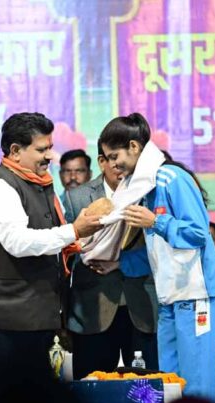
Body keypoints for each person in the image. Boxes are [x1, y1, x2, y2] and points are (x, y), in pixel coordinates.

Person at [0, 112, 102, 401]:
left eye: (50, 147)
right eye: (42, 149)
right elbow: (18, 242)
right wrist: (74, 231)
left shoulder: (38, 182)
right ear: (15, 151)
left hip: (34, 319)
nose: (50, 156)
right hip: (3, 324)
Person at [103, 112, 215, 401]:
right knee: (170, 386)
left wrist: (156, 222)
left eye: (114, 156)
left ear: (134, 147)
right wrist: (117, 263)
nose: (112, 165)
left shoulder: (172, 178)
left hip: (197, 296)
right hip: (169, 299)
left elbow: (198, 234)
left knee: (196, 388)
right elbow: (158, 253)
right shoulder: (142, 187)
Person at [64, 147, 158, 378]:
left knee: (147, 389)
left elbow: (160, 248)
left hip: (143, 305)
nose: (122, 165)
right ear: (101, 161)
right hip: (92, 308)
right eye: (115, 159)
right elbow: (65, 255)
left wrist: (121, 262)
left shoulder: (149, 191)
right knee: (91, 388)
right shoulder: (77, 197)